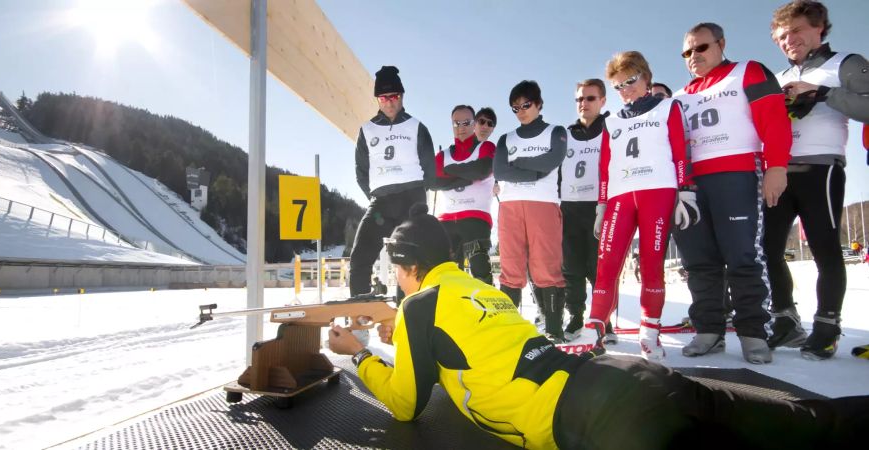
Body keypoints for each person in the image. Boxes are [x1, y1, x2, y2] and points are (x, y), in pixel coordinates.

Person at [327, 204, 869, 450]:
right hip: (625, 377)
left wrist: (357, 352)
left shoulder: (423, 306)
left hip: (601, 423)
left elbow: (405, 404)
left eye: (395, 273)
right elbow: (473, 345)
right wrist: (396, 330)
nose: (396, 284)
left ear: (407, 268)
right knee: (813, 422)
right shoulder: (483, 289)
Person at [673, 22, 792, 364]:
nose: (693, 56)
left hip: (736, 175)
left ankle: (753, 332)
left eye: (701, 48)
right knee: (698, 261)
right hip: (692, 185)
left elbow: (774, 119)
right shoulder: (680, 97)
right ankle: (709, 330)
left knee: (743, 256)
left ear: (721, 43)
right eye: (687, 52)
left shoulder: (747, 71)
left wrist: (777, 166)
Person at [766, 0, 869, 360]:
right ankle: (784, 320)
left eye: (796, 30)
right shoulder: (777, 78)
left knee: (824, 247)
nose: (788, 40)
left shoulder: (845, 63)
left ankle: (827, 326)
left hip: (820, 168)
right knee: (768, 249)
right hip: (778, 170)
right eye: (781, 36)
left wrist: (824, 93)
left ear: (818, 27)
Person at [586, 51, 694, 361]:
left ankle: (650, 332)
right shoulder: (611, 120)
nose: (625, 90)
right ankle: (595, 327)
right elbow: (605, 165)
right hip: (620, 196)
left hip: (656, 192)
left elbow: (680, 150)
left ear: (646, 77)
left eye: (630, 82)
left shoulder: (668, 106)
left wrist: (685, 191)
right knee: (606, 264)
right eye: (618, 86)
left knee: (651, 264)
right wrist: (601, 205)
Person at [350, 66, 436, 298]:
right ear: (377, 99)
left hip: (412, 200)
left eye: (394, 96)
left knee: (409, 262)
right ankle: (360, 316)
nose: (389, 102)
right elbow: (361, 170)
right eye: (383, 97)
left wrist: (418, 194)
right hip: (381, 202)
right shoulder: (367, 130)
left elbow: (430, 167)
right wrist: (377, 194)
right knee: (360, 256)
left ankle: (408, 312)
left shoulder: (416, 127)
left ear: (402, 96)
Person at [493, 80, 568, 343]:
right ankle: (510, 329)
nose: (521, 111)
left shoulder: (555, 132)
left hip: (543, 205)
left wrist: (519, 164)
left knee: (545, 267)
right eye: (515, 108)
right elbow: (500, 171)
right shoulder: (506, 139)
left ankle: (554, 329)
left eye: (526, 105)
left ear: (538, 104)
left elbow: (550, 162)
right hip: (510, 207)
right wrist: (532, 169)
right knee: (510, 267)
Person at [559, 78, 610, 341]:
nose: (584, 103)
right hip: (569, 207)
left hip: (600, 206)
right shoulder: (565, 134)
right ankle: (576, 316)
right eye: (579, 98)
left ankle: (604, 319)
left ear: (602, 101)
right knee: (572, 268)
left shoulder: (611, 128)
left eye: (590, 98)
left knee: (598, 268)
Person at [432, 105, 495, 284]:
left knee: (480, 271)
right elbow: (433, 182)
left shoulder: (486, 146)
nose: (461, 127)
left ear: (474, 123)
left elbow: (481, 170)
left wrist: (449, 171)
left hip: (476, 216)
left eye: (466, 122)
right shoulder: (443, 155)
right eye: (456, 123)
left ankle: (486, 309)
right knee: (445, 275)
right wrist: (466, 177)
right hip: (446, 219)